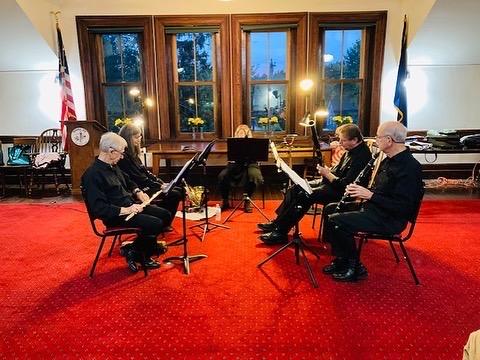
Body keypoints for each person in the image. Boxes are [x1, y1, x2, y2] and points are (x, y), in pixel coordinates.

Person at [323, 121, 424, 282]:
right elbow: (382, 191)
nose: (376, 140)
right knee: (330, 209)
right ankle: (341, 258)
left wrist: (370, 195)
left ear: (389, 140)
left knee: (338, 221)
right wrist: (363, 193)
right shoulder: (388, 160)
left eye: (378, 137)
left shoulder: (409, 168)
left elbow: (403, 207)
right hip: (376, 209)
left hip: (390, 219)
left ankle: (355, 266)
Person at [258, 123, 372, 245]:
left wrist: (327, 174)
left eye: (342, 140)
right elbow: (338, 172)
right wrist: (328, 170)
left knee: (305, 195)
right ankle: (278, 223)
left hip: (342, 193)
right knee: (295, 188)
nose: (339, 143)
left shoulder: (362, 156)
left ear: (354, 140)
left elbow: (345, 185)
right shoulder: (350, 150)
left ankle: (281, 232)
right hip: (332, 185)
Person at [81, 132, 171, 273]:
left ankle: (139, 246)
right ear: (111, 151)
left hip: (131, 207)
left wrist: (138, 192)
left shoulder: (113, 165)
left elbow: (128, 180)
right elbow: (99, 208)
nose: (122, 157)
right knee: (155, 223)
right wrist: (127, 210)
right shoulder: (92, 175)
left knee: (165, 215)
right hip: (116, 216)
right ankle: (137, 253)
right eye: (121, 153)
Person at [117, 124, 181, 230]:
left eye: (140, 136)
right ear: (128, 138)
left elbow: (145, 172)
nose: (139, 139)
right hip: (138, 189)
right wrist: (159, 186)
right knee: (174, 193)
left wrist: (160, 182)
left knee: (177, 189)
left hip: (145, 185)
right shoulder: (123, 157)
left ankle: (163, 220)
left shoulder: (133, 154)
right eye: (136, 137)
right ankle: (163, 222)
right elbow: (138, 178)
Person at [218, 125, 263, 212]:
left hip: (251, 164)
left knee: (254, 175)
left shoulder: (254, 143)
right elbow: (231, 158)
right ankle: (225, 200)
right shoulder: (233, 142)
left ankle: (247, 199)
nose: (242, 134)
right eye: (240, 133)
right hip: (235, 164)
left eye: (244, 133)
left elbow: (258, 156)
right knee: (222, 176)